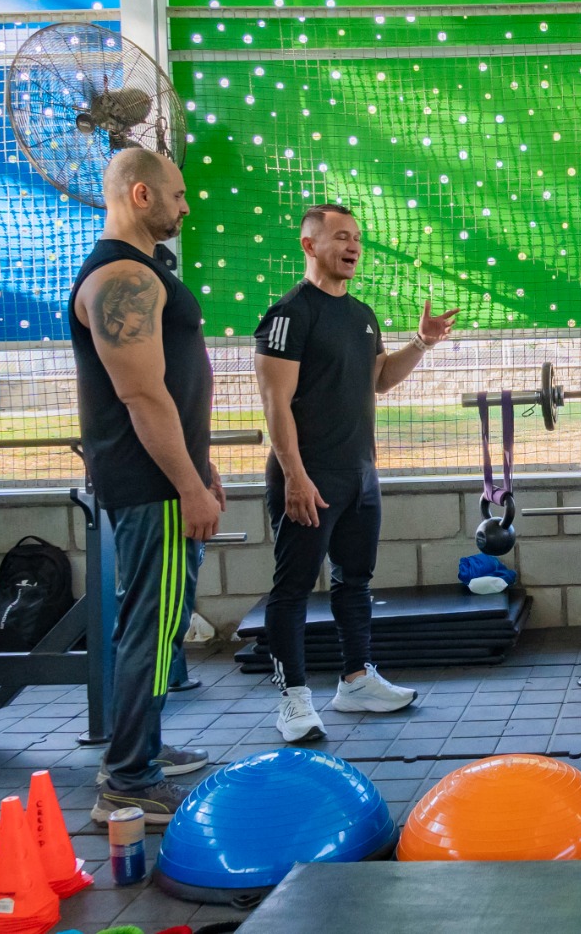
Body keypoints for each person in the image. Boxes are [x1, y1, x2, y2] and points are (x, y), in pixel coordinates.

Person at [254, 203, 458, 743]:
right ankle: (293, 700)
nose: (353, 247)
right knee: (292, 589)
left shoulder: (361, 314)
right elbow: (275, 405)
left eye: (357, 239)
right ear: (309, 245)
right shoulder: (288, 315)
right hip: (308, 476)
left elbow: (379, 380)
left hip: (359, 476)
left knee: (356, 582)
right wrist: (295, 476)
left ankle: (356, 681)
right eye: (341, 237)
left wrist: (421, 342)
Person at [71, 148, 219, 823]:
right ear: (140, 195)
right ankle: (129, 778)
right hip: (153, 482)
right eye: (178, 195)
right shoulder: (120, 278)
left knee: (152, 624)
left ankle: (142, 751)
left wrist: (202, 462)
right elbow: (140, 393)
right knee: (154, 631)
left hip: (163, 476)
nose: (185, 207)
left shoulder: (140, 272)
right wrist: (188, 484)